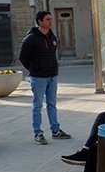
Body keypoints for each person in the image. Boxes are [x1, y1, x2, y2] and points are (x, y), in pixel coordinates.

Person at [19, 10, 70, 145]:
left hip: (52, 76)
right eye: (47, 19)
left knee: (52, 104)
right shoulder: (31, 39)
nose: (50, 21)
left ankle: (55, 130)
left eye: (50, 19)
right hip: (38, 78)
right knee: (37, 105)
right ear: (40, 22)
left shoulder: (52, 37)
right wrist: (35, 69)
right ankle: (38, 133)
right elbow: (23, 57)